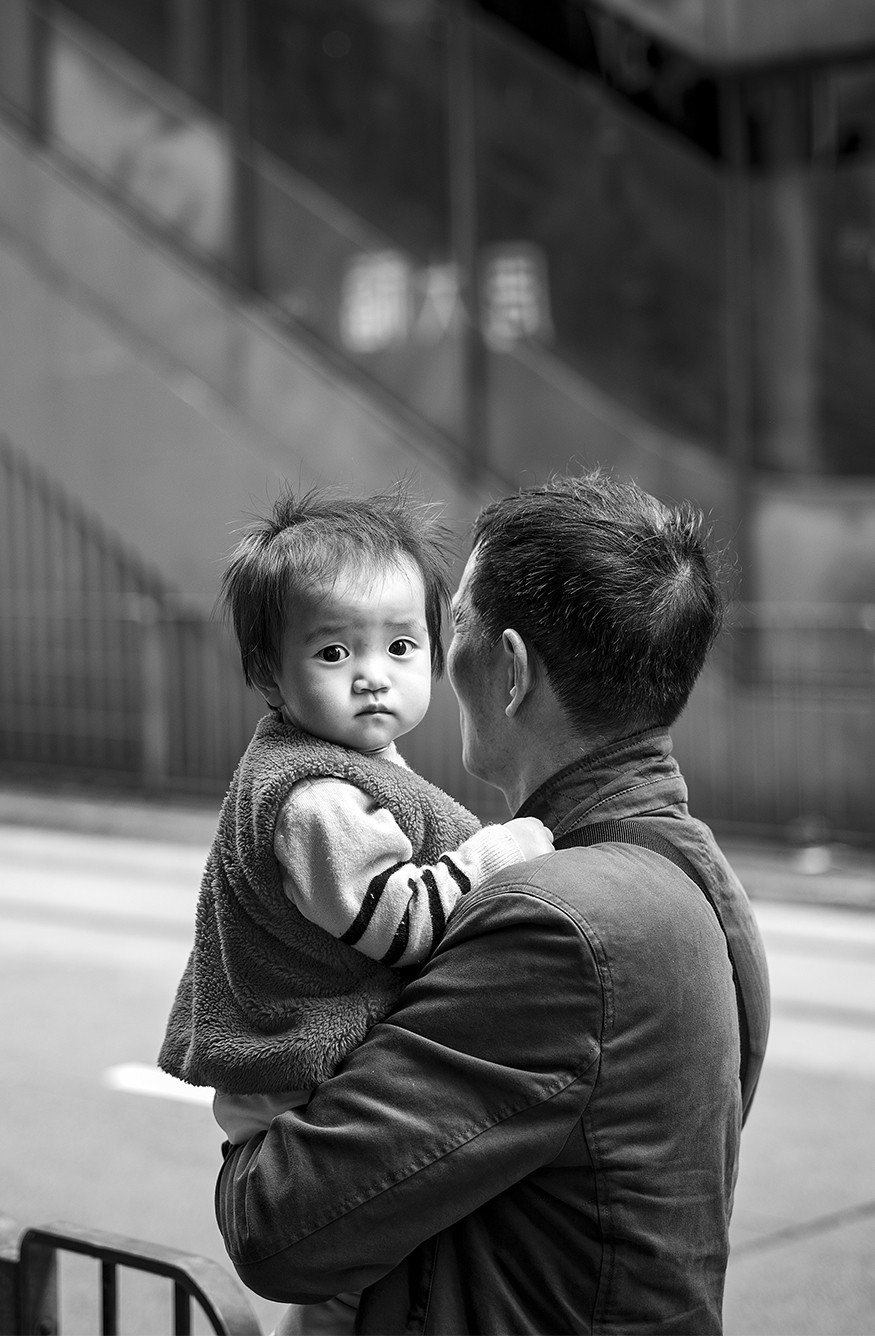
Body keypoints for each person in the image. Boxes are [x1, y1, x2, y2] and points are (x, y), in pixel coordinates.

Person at [216, 471, 771, 1333]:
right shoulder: (698, 875)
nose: (413, 665)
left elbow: (278, 1226)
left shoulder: (555, 921)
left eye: (445, 628)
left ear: (509, 670)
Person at [159, 488, 554, 1335]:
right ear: (269, 674)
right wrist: (501, 854)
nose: (373, 674)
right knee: (357, 1284)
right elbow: (400, 923)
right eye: (335, 651)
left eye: (401, 646)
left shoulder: (350, 765)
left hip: (313, 1078)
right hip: (296, 1091)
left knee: (352, 1297)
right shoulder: (315, 799)